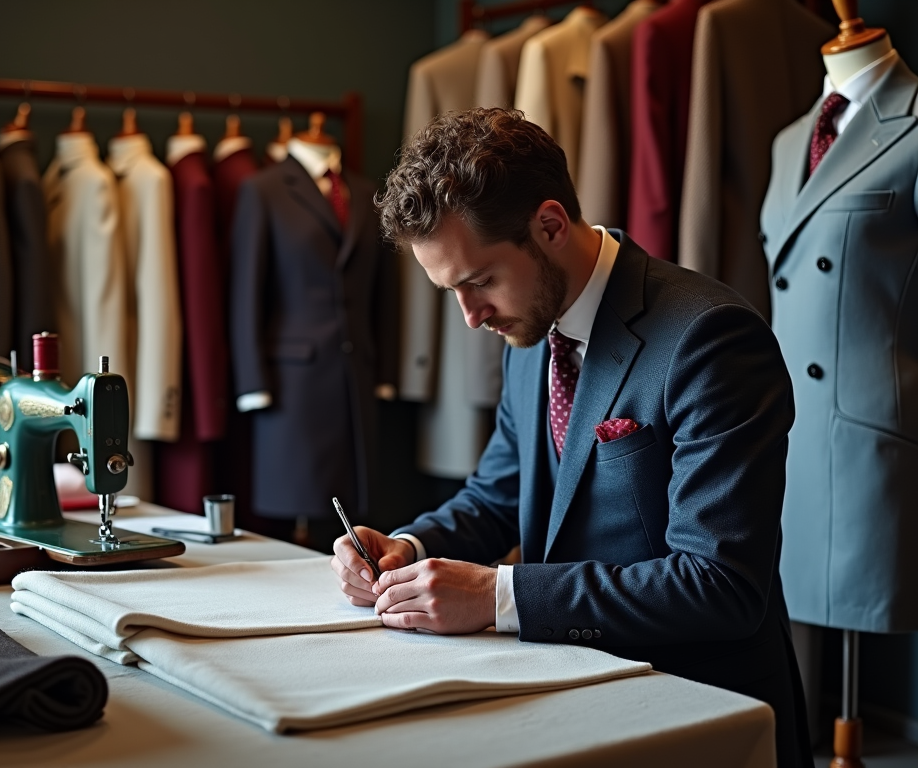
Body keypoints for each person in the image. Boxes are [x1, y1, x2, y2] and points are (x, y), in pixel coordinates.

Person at [330, 108, 810, 766]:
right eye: (452, 293)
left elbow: (718, 586)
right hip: (567, 700)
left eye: (479, 282)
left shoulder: (711, 338)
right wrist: (407, 549)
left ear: (550, 225)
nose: (471, 318)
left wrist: (497, 596)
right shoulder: (529, 327)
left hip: (698, 713)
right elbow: (497, 497)